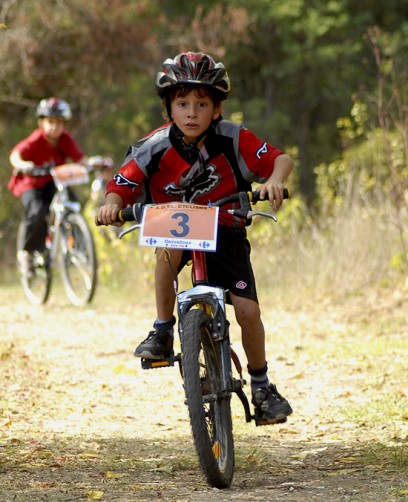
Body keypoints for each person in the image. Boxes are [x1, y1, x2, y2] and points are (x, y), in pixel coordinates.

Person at [96, 52, 294, 424]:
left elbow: (281, 160)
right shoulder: (153, 145)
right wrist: (111, 206)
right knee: (167, 249)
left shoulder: (233, 137)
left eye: (202, 105)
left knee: (248, 311)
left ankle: (261, 384)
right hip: (174, 226)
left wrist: (274, 180)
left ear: (216, 109)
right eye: (182, 104)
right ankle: (162, 329)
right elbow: (120, 185)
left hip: (225, 227)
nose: (191, 113)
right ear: (168, 109)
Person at [8, 97, 85, 275]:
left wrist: (95, 163)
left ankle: (77, 247)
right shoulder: (36, 139)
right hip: (32, 184)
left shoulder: (65, 140)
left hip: (54, 183)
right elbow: (15, 155)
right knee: (38, 210)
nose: (54, 127)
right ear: (41, 122)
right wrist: (23, 165)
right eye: (50, 122)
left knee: (73, 204)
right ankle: (27, 253)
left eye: (59, 122)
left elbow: (81, 159)